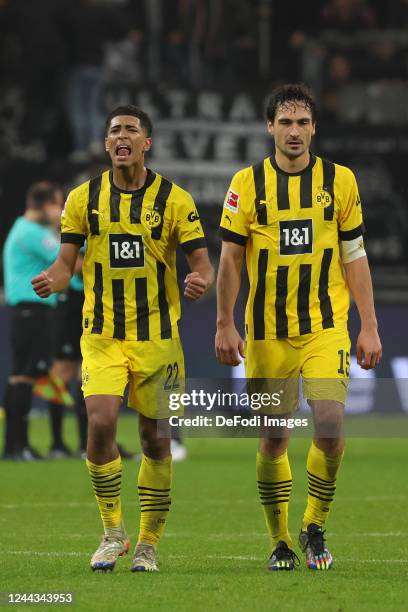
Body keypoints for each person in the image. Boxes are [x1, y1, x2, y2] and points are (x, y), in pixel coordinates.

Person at [32, 105, 214, 572]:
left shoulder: (175, 200)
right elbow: (66, 261)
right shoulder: (82, 199)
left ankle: (148, 545)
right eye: (114, 130)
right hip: (102, 335)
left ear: (146, 143)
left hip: (158, 339)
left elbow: (202, 264)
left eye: (131, 129)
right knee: (101, 423)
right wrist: (54, 276)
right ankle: (113, 532)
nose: (121, 136)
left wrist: (200, 281)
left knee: (156, 440)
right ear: (107, 143)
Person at [215, 84, 382, 571]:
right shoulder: (245, 183)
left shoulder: (340, 181)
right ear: (270, 127)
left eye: (302, 122)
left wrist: (368, 325)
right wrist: (225, 322)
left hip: (325, 327)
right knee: (274, 438)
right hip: (266, 332)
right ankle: (281, 541)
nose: (294, 131)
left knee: (329, 422)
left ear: (314, 128)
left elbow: (355, 257)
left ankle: (314, 526)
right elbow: (230, 260)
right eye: (285, 122)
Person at [2, 181, 62, 460]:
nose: (60, 210)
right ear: (47, 204)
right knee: (25, 376)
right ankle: (18, 446)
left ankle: (14, 445)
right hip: (32, 310)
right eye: (57, 204)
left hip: (25, 311)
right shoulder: (32, 233)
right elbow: (65, 258)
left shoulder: (21, 230)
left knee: (20, 376)